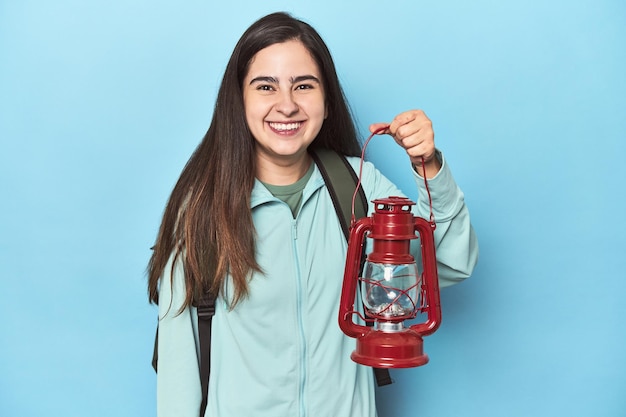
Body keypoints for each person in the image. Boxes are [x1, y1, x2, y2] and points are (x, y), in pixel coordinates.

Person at [147, 11, 478, 417]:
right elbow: (179, 373)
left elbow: (450, 263)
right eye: (265, 86)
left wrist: (428, 167)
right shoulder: (202, 210)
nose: (286, 106)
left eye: (303, 85)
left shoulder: (358, 188)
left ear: (326, 99)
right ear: (240, 99)